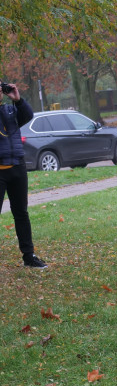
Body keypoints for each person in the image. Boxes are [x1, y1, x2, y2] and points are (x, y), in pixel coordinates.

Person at [0, 81, 47, 269]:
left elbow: (27, 115)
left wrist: (18, 100)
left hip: (17, 167)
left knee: (21, 213)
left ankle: (29, 256)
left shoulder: (10, 111)